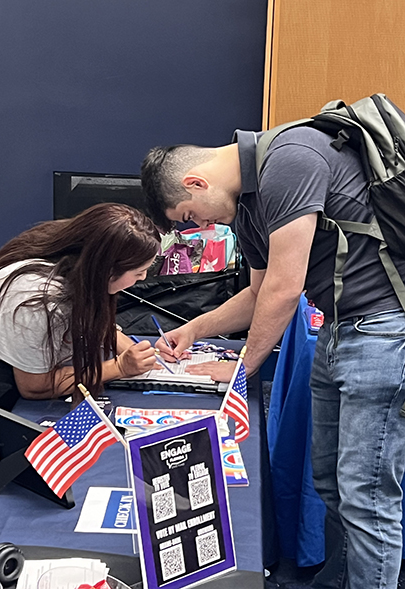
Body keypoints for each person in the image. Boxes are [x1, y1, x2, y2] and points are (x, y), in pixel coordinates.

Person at [140, 129, 405, 589]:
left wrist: (243, 368)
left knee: (366, 499)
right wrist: (194, 329)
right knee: (330, 483)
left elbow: (285, 287)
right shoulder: (249, 206)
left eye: (189, 216)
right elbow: (258, 293)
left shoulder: (290, 157)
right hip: (341, 331)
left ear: (196, 184)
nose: (199, 228)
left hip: (382, 333)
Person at [0, 203, 161, 470]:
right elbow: (34, 386)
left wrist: (127, 346)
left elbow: (92, 305)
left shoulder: (77, 249)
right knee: (21, 471)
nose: (142, 279)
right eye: (139, 273)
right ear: (106, 271)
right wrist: (118, 367)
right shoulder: (38, 299)